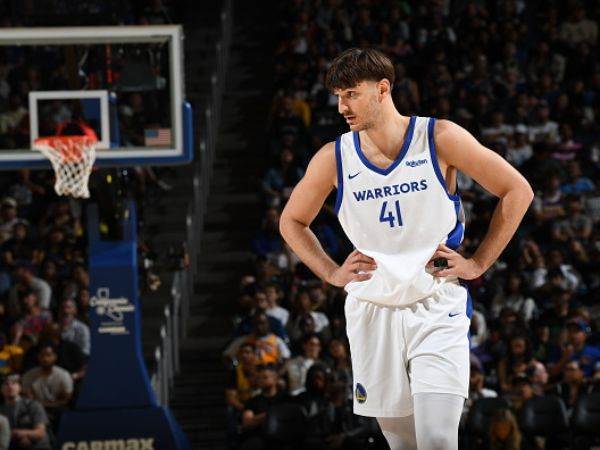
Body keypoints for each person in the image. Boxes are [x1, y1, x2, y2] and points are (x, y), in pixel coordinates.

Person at [279, 48, 534, 450]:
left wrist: (479, 262)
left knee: (436, 440)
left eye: (351, 94)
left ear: (383, 89)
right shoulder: (334, 158)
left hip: (435, 301)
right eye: (338, 96)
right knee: (404, 445)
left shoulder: (439, 138)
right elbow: (291, 222)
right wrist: (330, 272)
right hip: (372, 309)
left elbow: (517, 189)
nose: (342, 106)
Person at [0, 374, 51, 450]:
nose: (10, 387)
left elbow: (40, 433)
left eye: (14, 383)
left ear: (20, 387)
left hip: (38, 446)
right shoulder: (1, 409)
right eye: (6, 384)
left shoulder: (33, 405)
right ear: (1, 389)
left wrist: (18, 434)